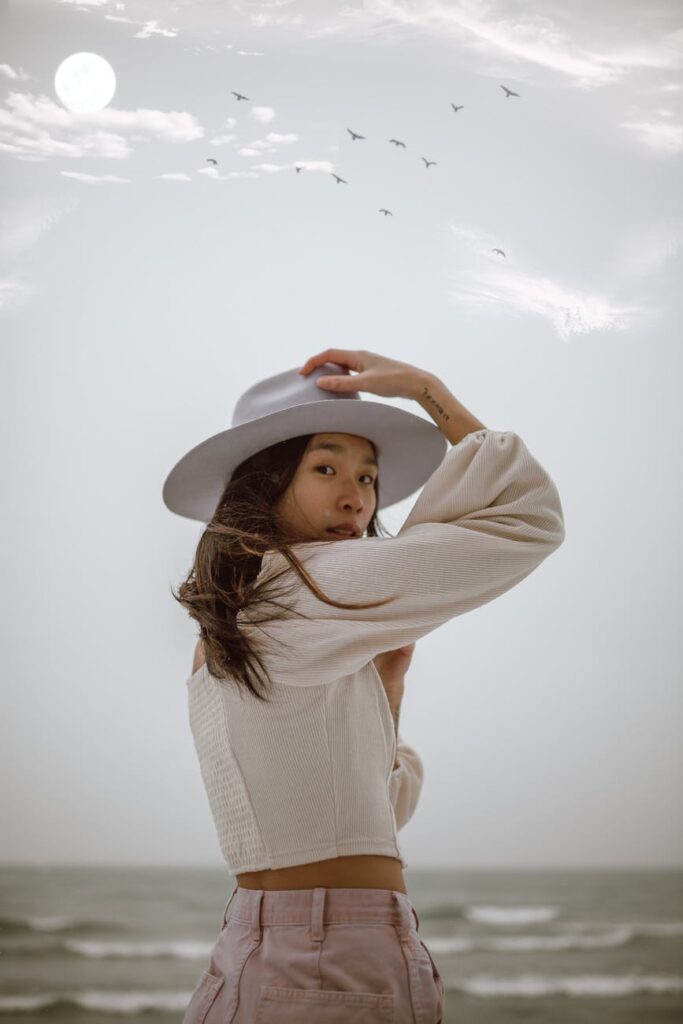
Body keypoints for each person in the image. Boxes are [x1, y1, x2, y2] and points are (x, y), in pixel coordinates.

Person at [162, 348, 566, 1024]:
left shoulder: (228, 630)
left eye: (368, 476)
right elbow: (526, 518)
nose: (357, 497)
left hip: (253, 949)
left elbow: (379, 811)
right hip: (334, 952)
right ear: (263, 486)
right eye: (325, 469)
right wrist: (427, 390)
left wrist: (387, 693)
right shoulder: (308, 588)